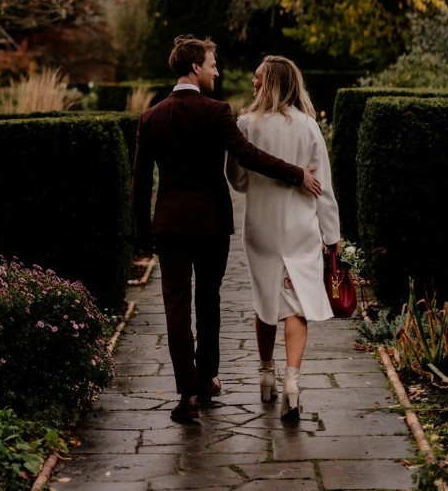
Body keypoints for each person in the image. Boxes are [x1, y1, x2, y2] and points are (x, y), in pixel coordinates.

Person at [132, 36, 322, 425]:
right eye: (212, 63)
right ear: (194, 67)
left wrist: (141, 235)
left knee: (175, 307)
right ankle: (207, 380)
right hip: (210, 224)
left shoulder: (151, 117)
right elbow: (249, 157)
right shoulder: (216, 112)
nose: (216, 70)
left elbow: (138, 186)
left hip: (169, 225)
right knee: (208, 301)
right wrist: (297, 173)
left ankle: (187, 394)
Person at [226, 55, 341, 421]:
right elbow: (323, 189)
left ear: (273, 82)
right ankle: (292, 380)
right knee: (295, 303)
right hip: (299, 227)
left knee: (265, 297)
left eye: (258, 77)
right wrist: (332, 235)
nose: (253, 82)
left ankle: (265, 375)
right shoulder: (309, 127)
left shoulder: (245, 124)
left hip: (260, 225)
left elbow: (238, 181)